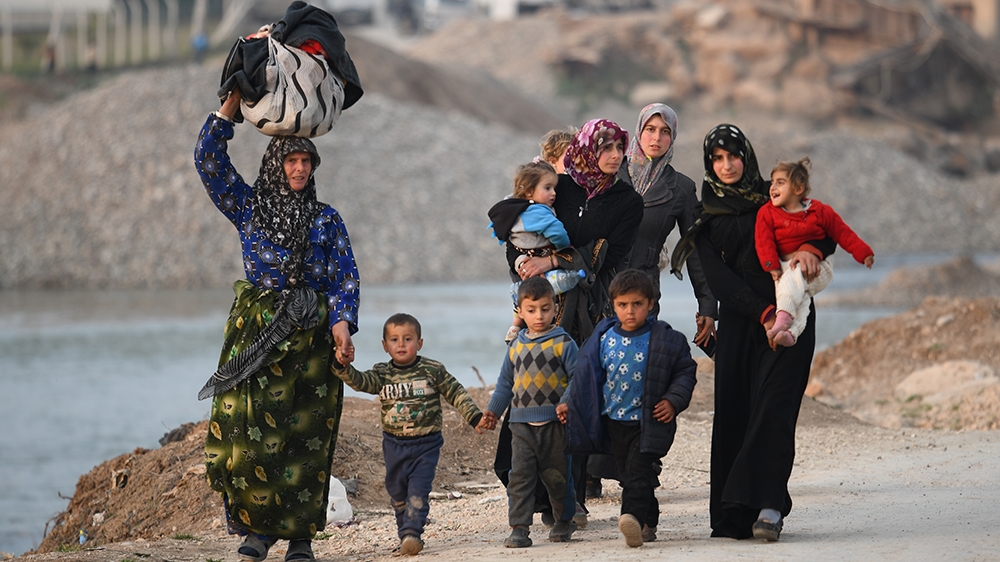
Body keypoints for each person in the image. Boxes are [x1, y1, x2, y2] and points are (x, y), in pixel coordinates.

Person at [196, 89, 360, 562]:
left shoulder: (328, 221)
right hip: (259, 340)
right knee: (250, 437)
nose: (300, 169)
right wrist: (229, 108)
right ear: (275, 163)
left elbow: (345, 277)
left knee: (306, 437)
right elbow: (208, 161)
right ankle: (257, 533)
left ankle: (301, 537)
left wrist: (342, 326)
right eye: (291, 160)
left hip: (312, 344)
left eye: (307, 161)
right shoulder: (248, 209)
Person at [671, 124, 836, 542]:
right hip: (743, 326)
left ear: (747, 156)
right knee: (736, 414)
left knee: (774, 411)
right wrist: (761, 313)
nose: (727, 165)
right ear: (710, 164)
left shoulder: (775, 194)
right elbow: (719, 279)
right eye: (718, 159)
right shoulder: (705, 214)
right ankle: (734, 510)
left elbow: (824, 227)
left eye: (733, 156)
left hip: (791, 319)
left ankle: (770, 506)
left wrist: (809, 250)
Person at [508, 118, 644, 519]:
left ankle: (573, 497)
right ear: (587, 148)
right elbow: (519, 225)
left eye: (620, 147)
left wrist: (552, 258)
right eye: (605, 148)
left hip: (589, 308)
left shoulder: (627, 201)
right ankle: (534, 498)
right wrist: (520, 261)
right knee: (534, 394)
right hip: (542, 309)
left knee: (578, 396)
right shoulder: (560, 187)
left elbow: (607, 255)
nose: (615, 156)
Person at [564, 269, 697, 548]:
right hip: (612, 420)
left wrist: (673, 400)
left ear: (650, 304)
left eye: (637, 304)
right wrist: (570, 403)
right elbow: (585, 376)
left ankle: (631, 518)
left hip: (648, 420)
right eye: (623, 305)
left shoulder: (666, 339)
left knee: (637, 471)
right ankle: (649, 519)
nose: (630, 311)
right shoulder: (603, 337)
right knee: (631, 474)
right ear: (613, 305)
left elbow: (685, 371)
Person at [333, 313, 485, 556]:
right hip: (393, 444)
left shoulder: (432, 370)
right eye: (394, 339)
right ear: (385, 346)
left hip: (427, 443)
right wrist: (342, 366)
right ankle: (405, 534)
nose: (401, 344)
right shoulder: (382, 373)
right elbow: (361, 382)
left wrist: (475, 417)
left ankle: (413, 533)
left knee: (418, 488)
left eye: (407, 339)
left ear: (420, 343)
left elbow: (456, 392)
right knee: (397, 491)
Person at [477, 277, 579, 548]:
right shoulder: (516, 347)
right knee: (519, 478)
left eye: (545, 309)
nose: (539, 316)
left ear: (555, 308)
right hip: (520, 426)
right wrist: (492, 413)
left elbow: (579, 377)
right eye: (531, 310)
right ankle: (520, 528)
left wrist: (566, 401)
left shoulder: (563, 343)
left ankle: (563, 520)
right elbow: (504, 385)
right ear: (520, 311)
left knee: (557, 478)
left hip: (554, 425)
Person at [619, 103, 716, 348]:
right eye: (650, 129)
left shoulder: (681, 188)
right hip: (599, 291)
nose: (656, 137)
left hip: (643, 294)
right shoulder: (611, 174)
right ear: (639, 131)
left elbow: (694, 248)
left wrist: (707, 306)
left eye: (665, 131)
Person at [756, 157, 874, 347]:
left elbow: (842, 232)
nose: (772, 187)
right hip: (786, 269)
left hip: (818, 268)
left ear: (798, 188)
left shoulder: (820, 211)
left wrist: (864, 253)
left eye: (780, 182)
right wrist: (772, 266)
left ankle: (783, 316)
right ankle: (791, 334)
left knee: (790, 283)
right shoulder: (767, 213)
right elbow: (763, 240)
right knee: (801, 301)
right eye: (772, 182)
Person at [488, 161, 574, 341]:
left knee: (522, 294)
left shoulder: (511, 207)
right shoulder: (537, 212)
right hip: (539, 262)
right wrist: (564, 248)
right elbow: (558, 232)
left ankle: (515, 326)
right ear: (529, 191)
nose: (554, 193)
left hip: (520, 266)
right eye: (548, 188)